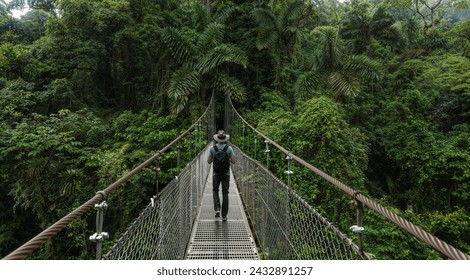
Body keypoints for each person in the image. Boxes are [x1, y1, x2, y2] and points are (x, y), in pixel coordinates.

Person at [207, 130, 235, 222]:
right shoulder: (229, 148)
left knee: (215, 190)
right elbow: (234, 161)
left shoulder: (212, 148)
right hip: (226, 174)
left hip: (216, 173)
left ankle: (217, 208)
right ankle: (224, 216)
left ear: (217, 139)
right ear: (225, 139)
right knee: (225, 193)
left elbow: (209, 161)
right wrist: (229, 159)